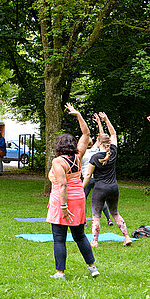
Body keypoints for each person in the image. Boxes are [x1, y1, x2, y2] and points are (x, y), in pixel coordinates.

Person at [46, 103, 99, 279]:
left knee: (59, 238)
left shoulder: (58, 162)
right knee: (80, 235)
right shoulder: (78, 156)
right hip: (79, 197)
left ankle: (60, 272)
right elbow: (86, 134)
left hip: (64, 200)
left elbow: (62, 185)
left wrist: (62, 206)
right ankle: (93, 268)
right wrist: (78, 115)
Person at [83, 113, 132, 247]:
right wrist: (105, 120)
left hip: (100, 189)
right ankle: (126, 237)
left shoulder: (95, 157)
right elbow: (114, 134)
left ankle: (94, 241)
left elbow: (88, 176)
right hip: (113, 188)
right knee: (115, 213)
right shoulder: (113, 153)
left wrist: (81, 187)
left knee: (96, 216)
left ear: (98, 142)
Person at [82, 114, 113, 226]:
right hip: (97, 179)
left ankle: (84, 221)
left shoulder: (81, 152)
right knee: (100, 199)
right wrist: (99, 122)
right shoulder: (96, 149)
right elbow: (102, 136)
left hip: (87, 178)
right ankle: (109, 219)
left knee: (83, 199)